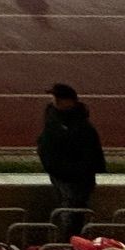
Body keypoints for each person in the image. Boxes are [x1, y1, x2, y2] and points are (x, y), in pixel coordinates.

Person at [38, 84, 106, 236]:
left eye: (58, 98)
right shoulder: (57, 117)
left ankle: (68, 243)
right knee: (68, 210)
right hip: (63, 174)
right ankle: (67, 242)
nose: (55, 101)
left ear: (69, 101)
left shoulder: (80, 127)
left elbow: (89, 154)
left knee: (71, 213)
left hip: (74, 176)